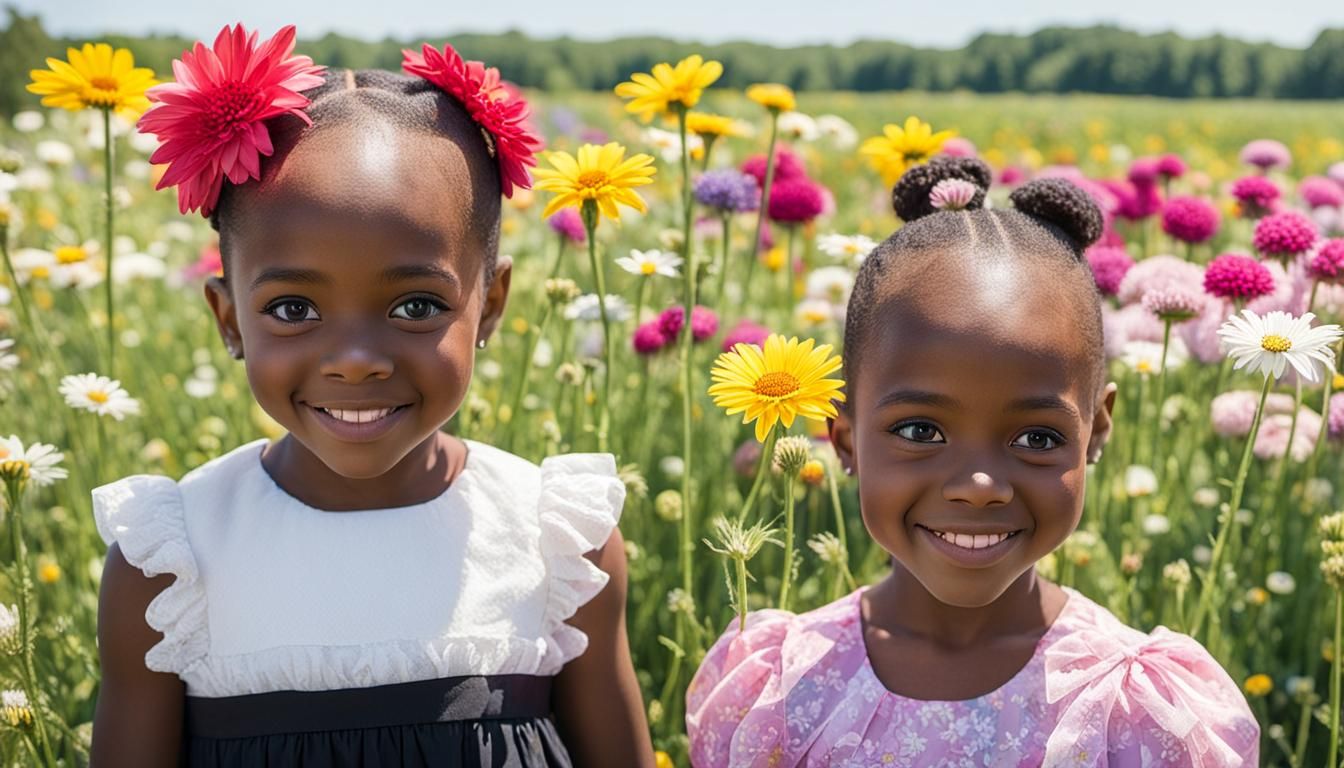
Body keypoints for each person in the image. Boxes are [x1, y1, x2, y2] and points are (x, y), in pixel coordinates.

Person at [89, 23, 653, 768]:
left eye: (415, 306)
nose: (355, 362)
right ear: (228, 319)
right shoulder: (173, 566)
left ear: (491, 306)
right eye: (294, 309)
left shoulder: (559, 547)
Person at [686, 158, 1259, 766]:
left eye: (1036, 438)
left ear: (1096, 431)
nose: (980, 486)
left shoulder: (1139, 711)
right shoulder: (780, 692)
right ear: (845, 439)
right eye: (919, 430)